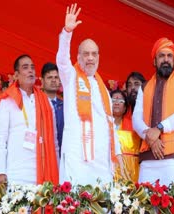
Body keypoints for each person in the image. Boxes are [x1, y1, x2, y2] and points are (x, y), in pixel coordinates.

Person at [56, 3, 122, 185]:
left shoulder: (103, 90)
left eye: (94, 54)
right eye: (86, 54)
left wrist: (117, 153)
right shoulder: (71, 77)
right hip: (78, 159)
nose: (90, 58)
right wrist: (67, 32)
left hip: (102, 161)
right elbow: (61, 60)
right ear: (78, 57)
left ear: (99, 57)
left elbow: (110, 123)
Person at [132, 38, 174, 185]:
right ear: (154, 61)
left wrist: (159, 128)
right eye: (161, 56)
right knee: (145, 206)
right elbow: (136, 119)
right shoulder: (144, 87)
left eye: (169, 56)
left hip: (173, 158)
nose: (166, 60)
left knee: (173, 205)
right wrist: (151, 138)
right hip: (148, 158)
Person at [0, 54, 58, 185]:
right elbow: (0, 139)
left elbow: (54, 143)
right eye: (25, 67)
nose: (30, 71)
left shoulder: (46, 102)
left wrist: (57, 173)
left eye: (32, 68)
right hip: (16, 174)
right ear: (16, 75)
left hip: (44, 174)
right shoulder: (7, 101)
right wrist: (0, 172)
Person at [111, 89, 140, 182]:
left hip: (130, 170)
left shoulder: (134, 125)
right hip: (110, 168)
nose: (116, 103)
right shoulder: (102, 124)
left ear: (125, 108)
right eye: (113, 101)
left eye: (120, 101)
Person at [41, 62, 64, 165]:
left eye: (56, 77)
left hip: (61, 157)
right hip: (41, 156)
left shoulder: (65, 106)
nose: (53, 80)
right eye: (49, 77)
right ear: (42, 81)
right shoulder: (36, 103)